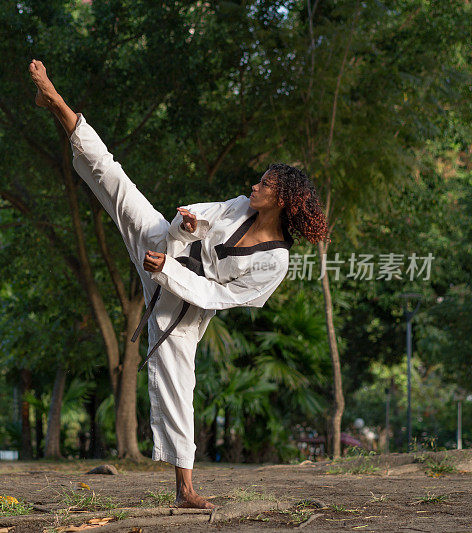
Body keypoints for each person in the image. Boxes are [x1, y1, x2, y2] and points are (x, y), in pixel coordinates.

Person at [28, 59, 329, 509]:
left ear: (282, 199)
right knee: (114, 180)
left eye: (265, 183)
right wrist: (188, 225)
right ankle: (57, 104)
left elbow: (218, 294)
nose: (255, 185)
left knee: (177, 382)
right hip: (163, 245)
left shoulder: (275, 262)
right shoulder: (244, 205)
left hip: (183, 303)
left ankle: (184, 489)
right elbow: (205, 217)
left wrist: (165, 271)